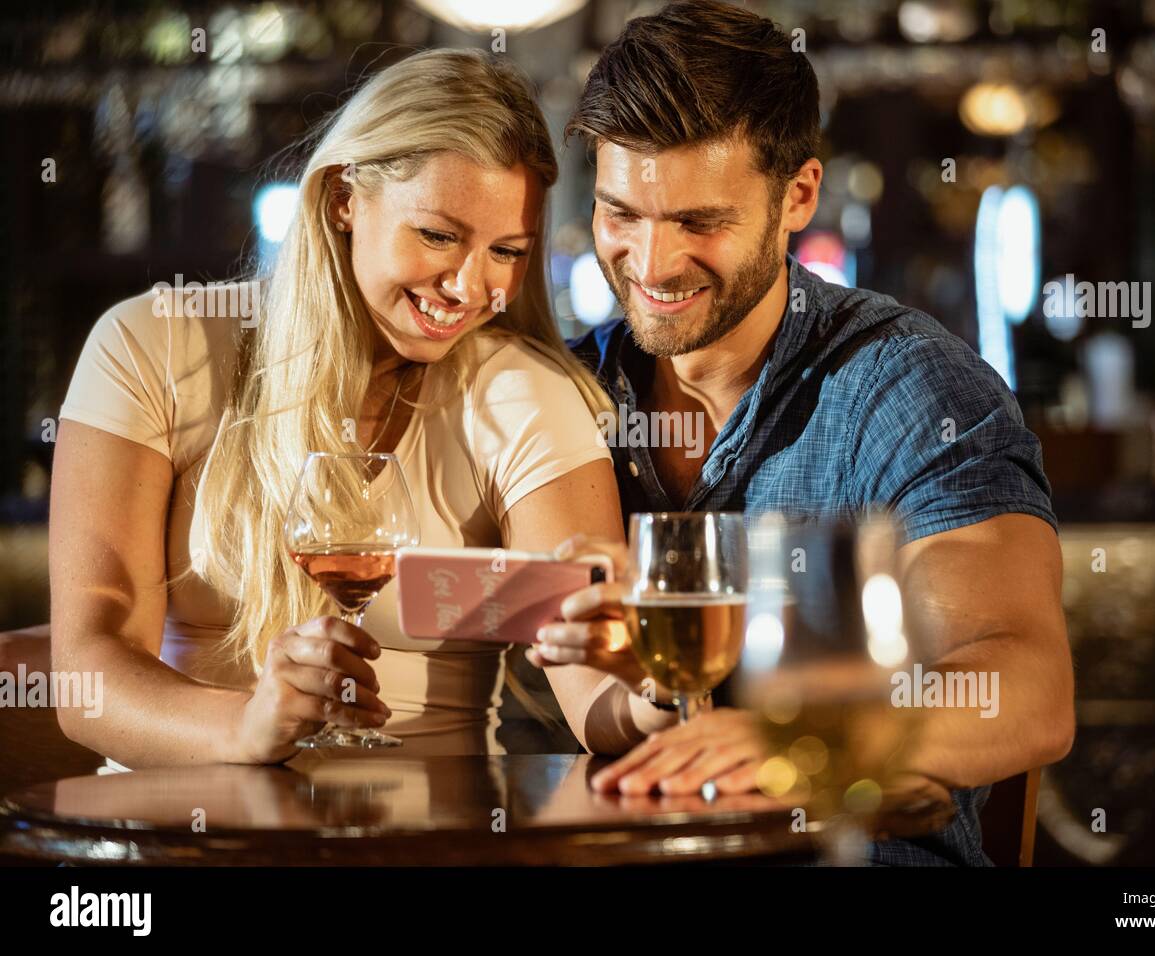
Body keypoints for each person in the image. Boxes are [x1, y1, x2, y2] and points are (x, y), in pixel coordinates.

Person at [528, 0, 1075, 866]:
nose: (654, 263)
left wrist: (802, 742)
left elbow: (1028, 689)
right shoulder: (559, 394)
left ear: (799, 197)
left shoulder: (906, 388)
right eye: (622, 214)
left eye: (700, 223)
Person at [48, 49, 677, 769]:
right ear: (345, 198)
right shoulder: (152, 344)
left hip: (421, 843)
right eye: (438, 235)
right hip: (181, 836)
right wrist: (248, 728)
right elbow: (87, 676)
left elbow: (595, 699)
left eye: (506, 250)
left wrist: (654, 684)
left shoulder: (522, 391)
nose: (469, 286)